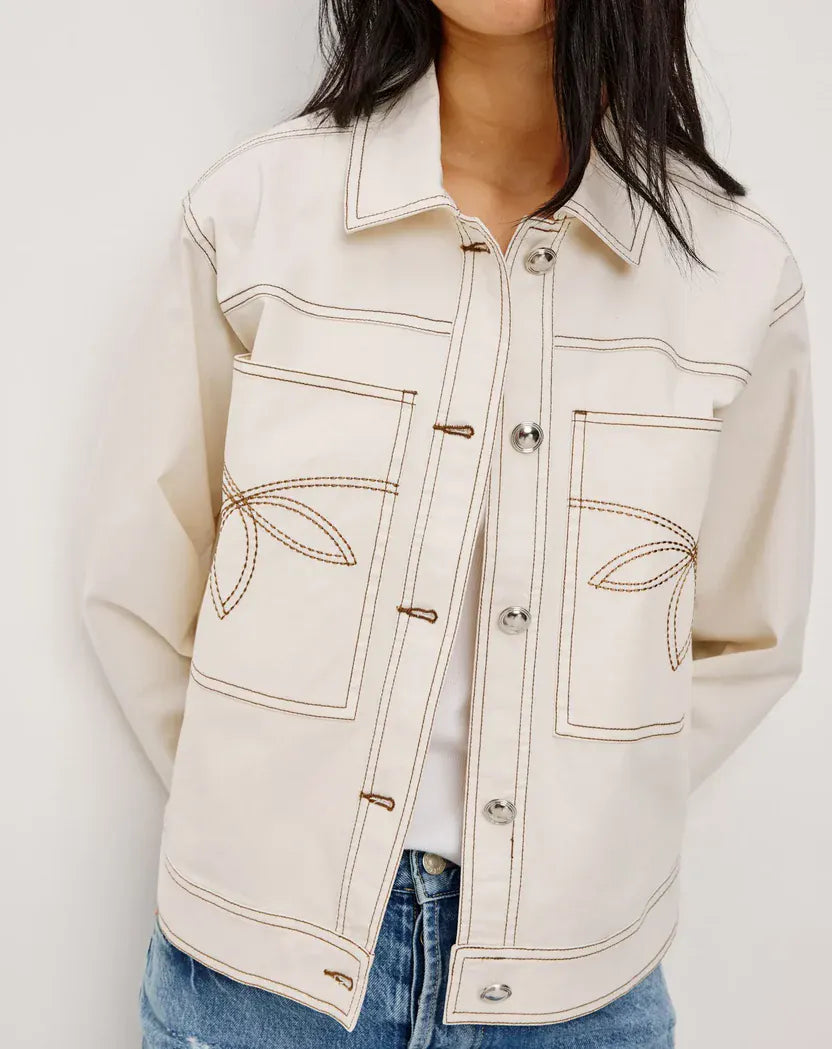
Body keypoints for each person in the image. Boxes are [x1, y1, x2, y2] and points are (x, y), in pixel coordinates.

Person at [80, 1, 815, 1046]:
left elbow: (743, 635)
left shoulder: (735, 276)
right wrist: (260, 831)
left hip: (576, 996)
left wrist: (588, 829)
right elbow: (141, 576)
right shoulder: (256, 213)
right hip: (255, 991)